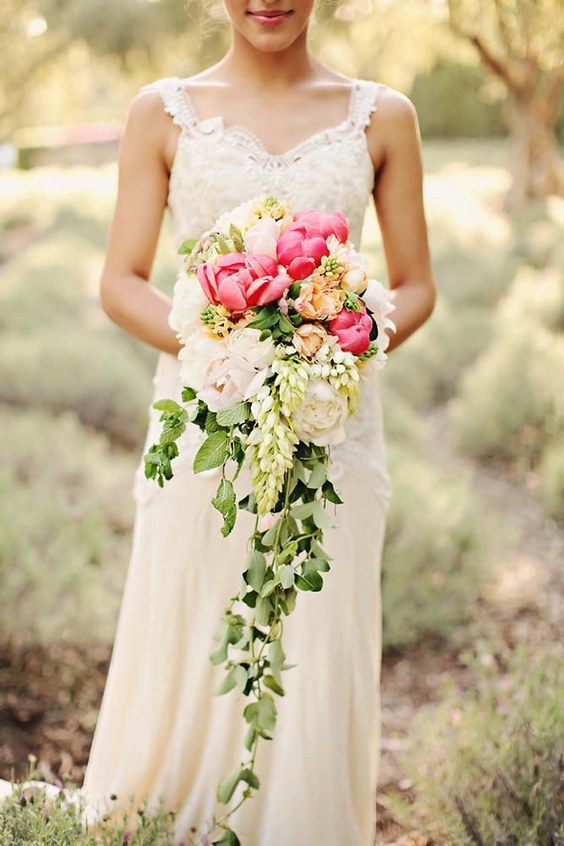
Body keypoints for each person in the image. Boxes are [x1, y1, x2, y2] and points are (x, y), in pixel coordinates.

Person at [1, 0, 436, 843]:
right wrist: (226, 346)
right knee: (192, 620)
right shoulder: (162, 113)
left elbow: (416, 283)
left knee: (318, 634)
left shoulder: (384, 116)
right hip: (201, 424)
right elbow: (121, 279)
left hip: (334, 426)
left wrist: (339, 340)